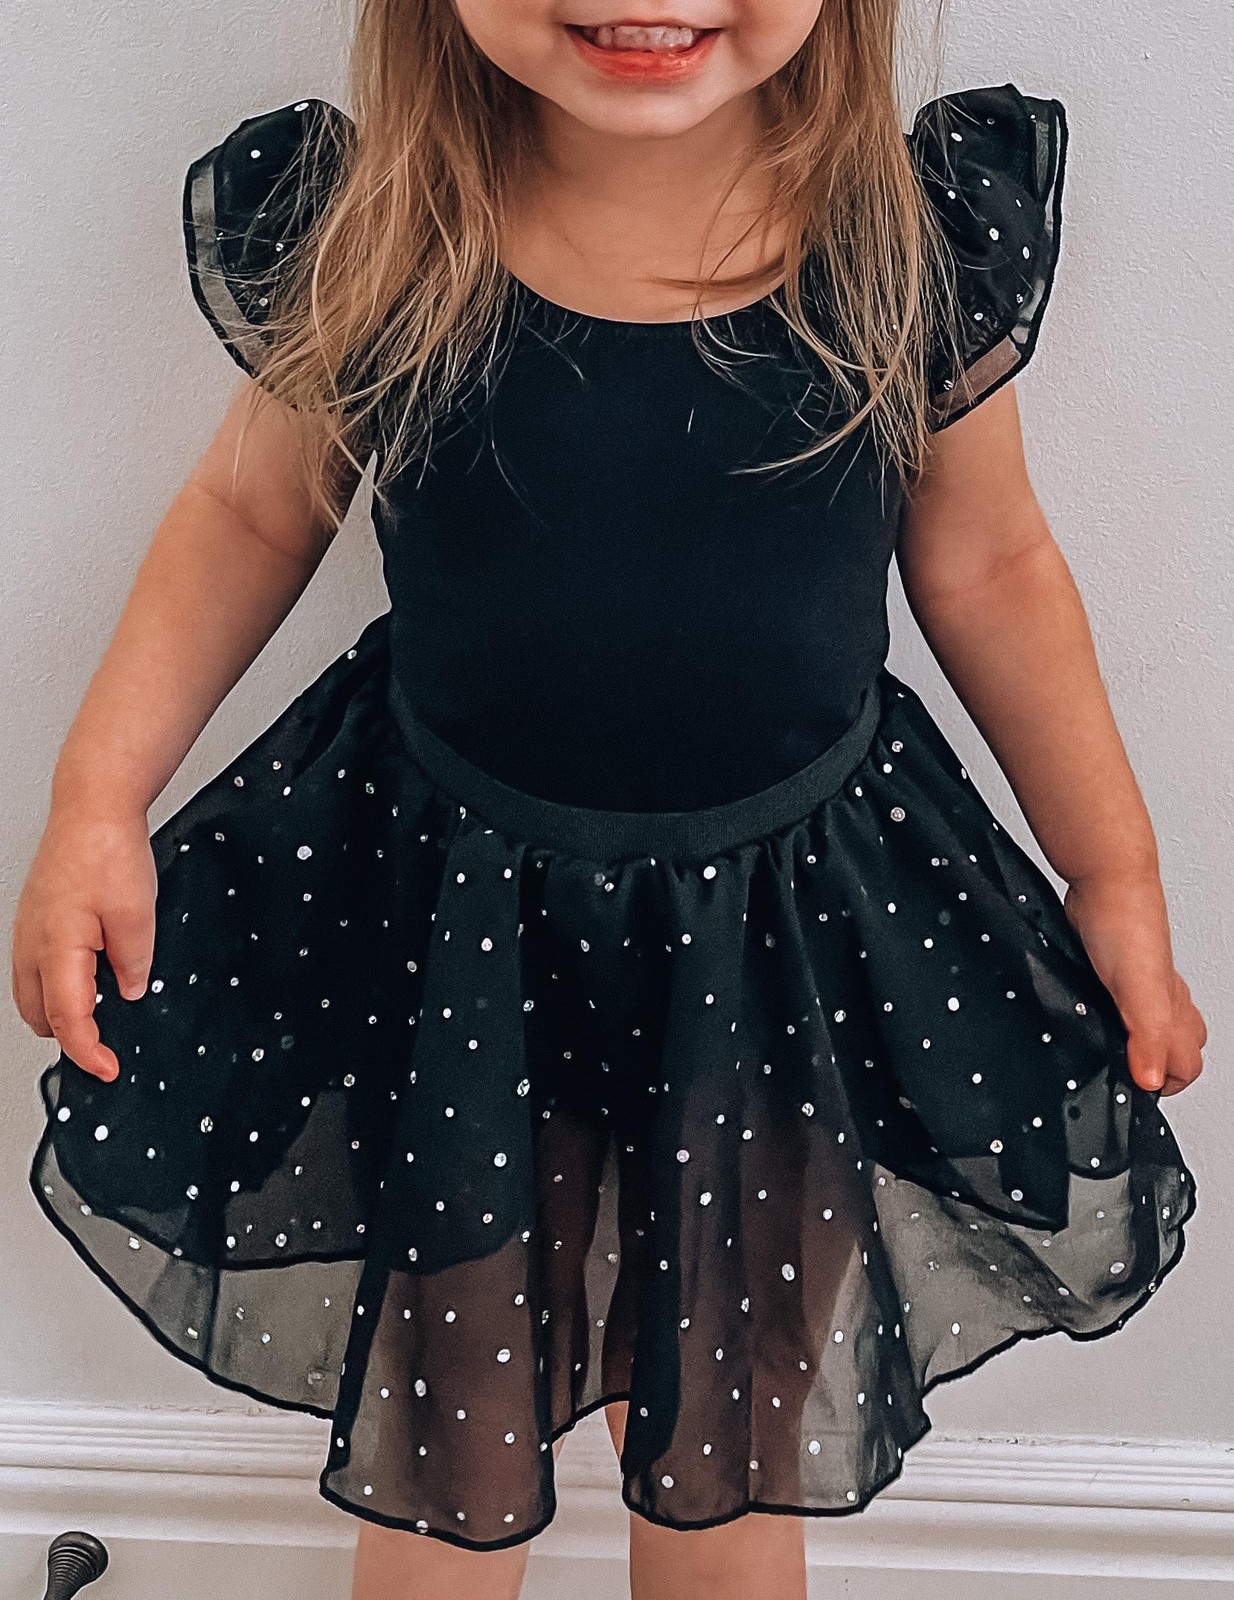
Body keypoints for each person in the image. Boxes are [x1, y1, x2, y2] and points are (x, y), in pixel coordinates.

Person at [14, 6, 1206, 1599]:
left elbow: (991, 564)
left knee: (733, 1433)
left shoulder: (905, 243)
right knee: (446, 1416)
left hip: (780, 949)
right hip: (458, 936)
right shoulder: (384, 233)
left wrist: (1111, 873)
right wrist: (96, 796)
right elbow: (249, 513)